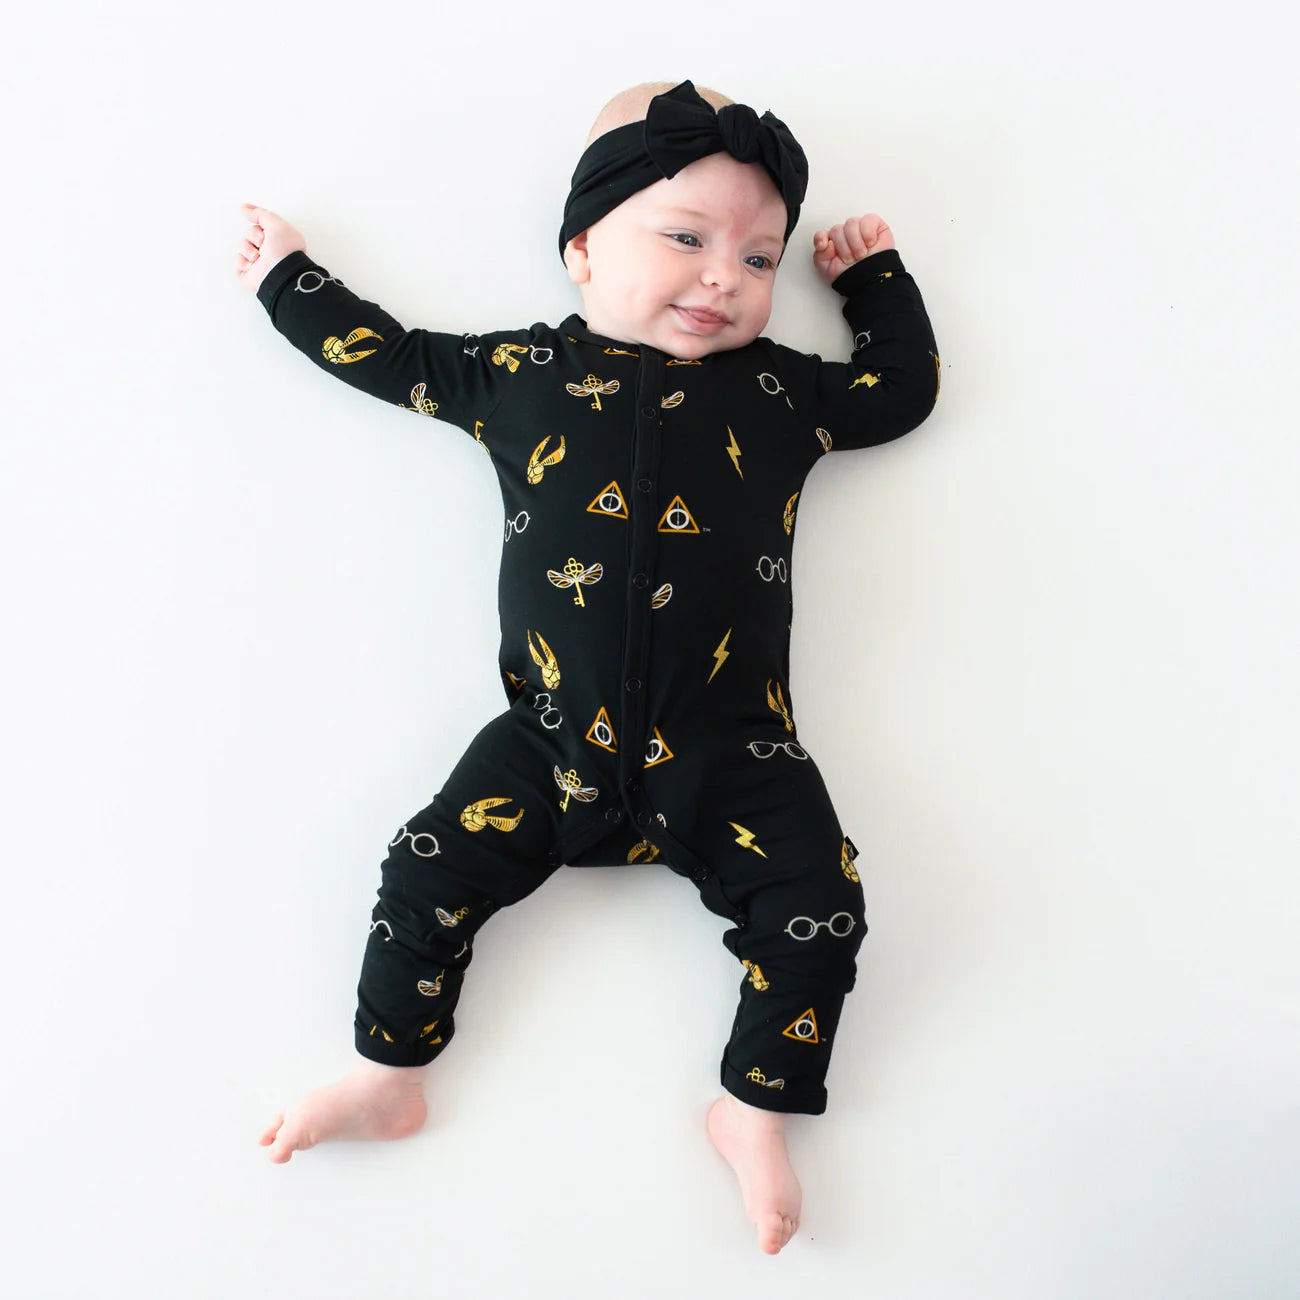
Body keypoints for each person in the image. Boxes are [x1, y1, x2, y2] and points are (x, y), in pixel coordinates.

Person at [237, 78, 939, 1256]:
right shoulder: (519, 375)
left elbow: (898, 393)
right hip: (549, 739)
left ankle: (753, 1107)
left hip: (734, 748)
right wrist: (287, 277)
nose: (724, 277)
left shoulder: (780, 394)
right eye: (686, 238)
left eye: (759, 258)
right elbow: (388, 356)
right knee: (421, 871)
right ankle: (387, 1075)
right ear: (580, 250)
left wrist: (874, 283)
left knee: (821, 906)